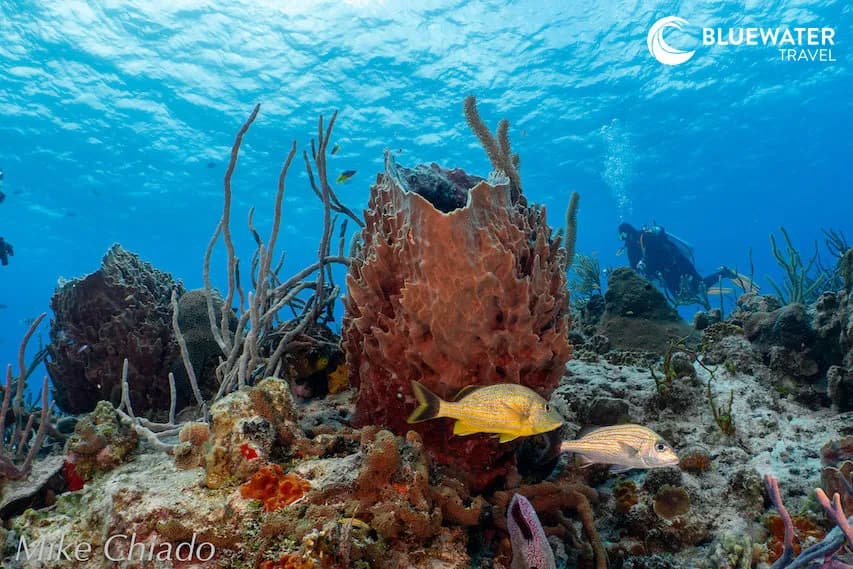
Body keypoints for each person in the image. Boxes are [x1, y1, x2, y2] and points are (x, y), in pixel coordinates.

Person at [618, 222, 734, 301]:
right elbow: (633, 268)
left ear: (628, 232)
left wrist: (645, 262)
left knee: (698, 287)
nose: (623, 239)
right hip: (666, 274)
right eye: (621, 238)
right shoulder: (631, 249)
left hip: (678, 264)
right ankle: (719, 275)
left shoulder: (646, 237)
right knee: (682, 298)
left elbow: (656, 253)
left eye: (623, 236)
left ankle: (723, 273)